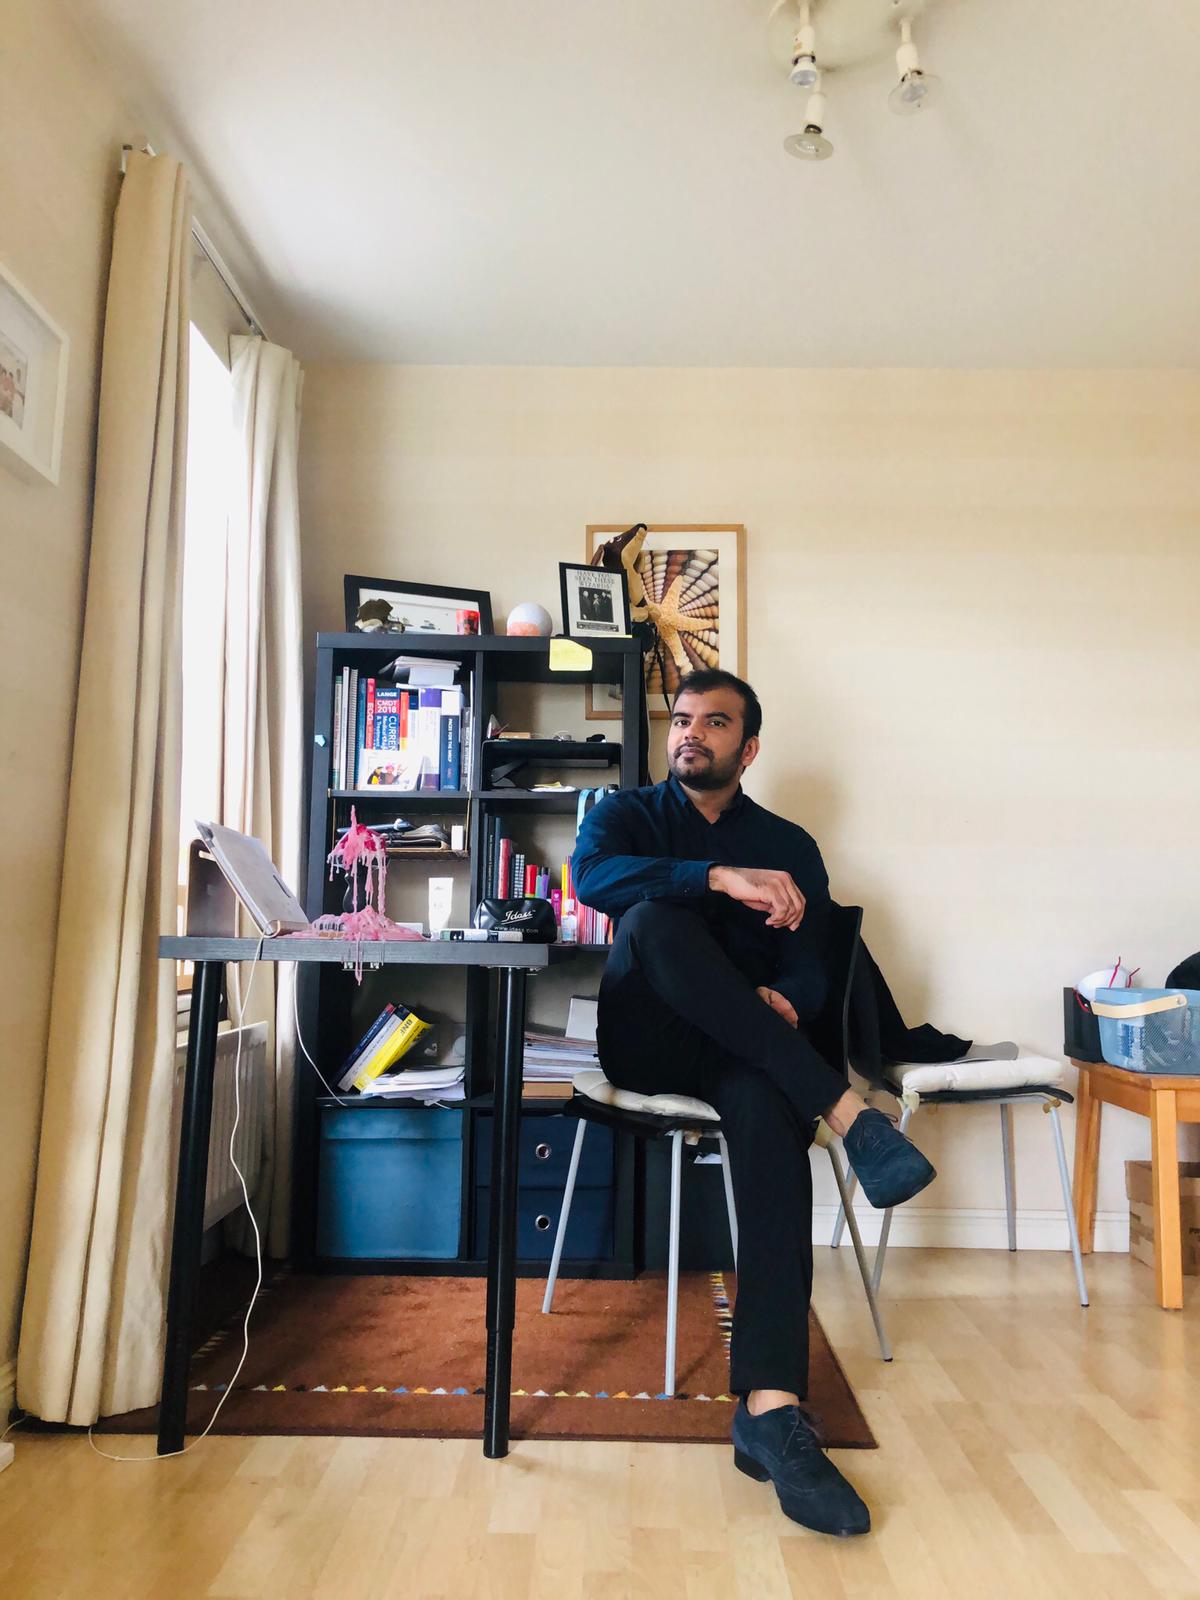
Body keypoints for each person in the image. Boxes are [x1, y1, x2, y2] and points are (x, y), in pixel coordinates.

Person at [571, 668, 936, 1538]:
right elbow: (593, 882)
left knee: (769, 1113)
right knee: (655, 919)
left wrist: (791, 1001)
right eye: (682, 719)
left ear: (750, 746)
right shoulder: (623, 815)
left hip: (747, 1045)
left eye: (715, 722)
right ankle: (848, 1116)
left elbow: (811, 961)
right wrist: (717, 877)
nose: (690, 733)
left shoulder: (789, 842)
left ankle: (770, 1410)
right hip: (649, 1040)